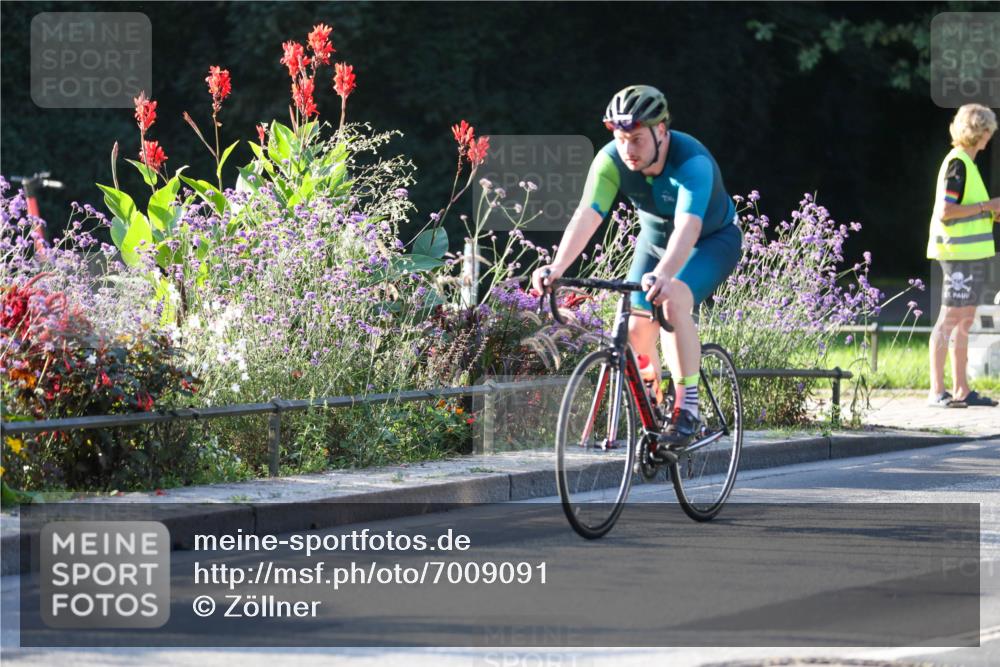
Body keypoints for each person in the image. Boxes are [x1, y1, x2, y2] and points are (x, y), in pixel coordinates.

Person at [531, 85, 742, 450]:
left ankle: (687, 407)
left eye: (637, 140)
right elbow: (588, 214)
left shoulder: (692, 162)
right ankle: (654, 408)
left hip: (710, 241)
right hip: (654, 242)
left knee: (671, 301)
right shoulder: (610, 160)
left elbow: (688, 227)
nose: (628, 149)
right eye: (621, 139)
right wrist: (557, 267)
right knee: (633, 327)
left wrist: (665, 275)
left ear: (661, 131)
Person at [927, 103, 1000, 408]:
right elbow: (946, 211)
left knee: (964, 320)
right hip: (957, 254)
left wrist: (989, 213)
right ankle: (937, 391)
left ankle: (961, 390)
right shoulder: (958, 163)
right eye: (988, 129)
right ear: (979, 131)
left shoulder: (967, 163)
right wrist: (987, 206)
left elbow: (964, 209)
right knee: (950, 319)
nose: (990, 135)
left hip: (970, 254)